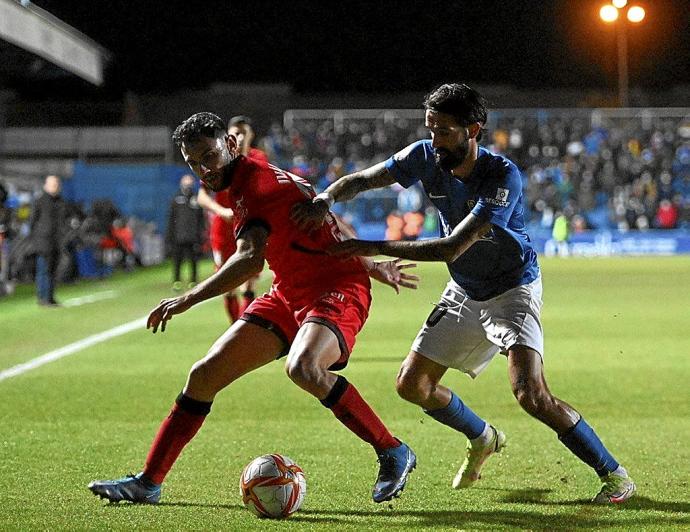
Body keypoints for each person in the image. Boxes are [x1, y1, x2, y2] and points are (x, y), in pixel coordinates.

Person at [291, 83, 635, 504]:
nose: (435, 140)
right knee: (412, 384)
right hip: (465, 289)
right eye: (431, 128)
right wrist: (326, 197)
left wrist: (370, 246)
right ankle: (482, 436)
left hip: (512, 289)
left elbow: (453, 246)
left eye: (445, 131)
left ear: (474, 129)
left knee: (531, 395)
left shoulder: (501, 175)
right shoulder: (424, 155)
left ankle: (615, 477)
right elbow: (364, 179)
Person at [88, 112, 419, 505]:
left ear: (230, 144)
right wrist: (372, 262)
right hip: (289, 291)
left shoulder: (254, 188)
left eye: (208, 157)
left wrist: (187, 299)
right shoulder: (252, 169)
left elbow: (248, 262)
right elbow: (324, 217)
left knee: (304, 367)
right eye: (193, 162)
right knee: (204, 375)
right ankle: (148, 482)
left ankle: (392, 450)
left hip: (335, 288)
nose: (202, 170)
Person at [196, 115, 267, 321]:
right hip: (223, 228)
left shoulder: (259, 157)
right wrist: (220, 211)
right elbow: (201, 196)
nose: (241, 136)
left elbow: (254, 177)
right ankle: (234, 327)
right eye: (236, 133)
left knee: (249, 280)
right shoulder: (216, 159)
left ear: (251, 135)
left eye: (245, 133)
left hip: (250, 224)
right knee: (226, 283)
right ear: (227, 135)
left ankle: (245, 329)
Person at [29, 175, 67, 306]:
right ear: (46, 185)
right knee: (43, 270)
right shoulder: (39, 201)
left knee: (52, 270)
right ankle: (42, 298)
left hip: (56, 241)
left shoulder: (60, 201)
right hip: (43, 242)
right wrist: (35, 240)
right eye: (52, 184)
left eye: (56, 184)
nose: (55, 187)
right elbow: (32, 222)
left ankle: (50, 297)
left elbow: (62, 221)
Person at [166, 174, 206, 290]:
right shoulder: (176, 198)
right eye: (186, 183)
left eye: (189, 183)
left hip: (193, 235)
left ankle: (193, 280)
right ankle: (177, 281)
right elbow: (171, 218)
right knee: (177, 259)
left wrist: (200, 234)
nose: (188, 185)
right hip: (178, 235)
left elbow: (201, 219)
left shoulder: (196, 198)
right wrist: (170, 235)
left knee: (193, 259)